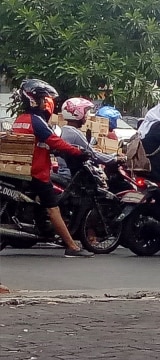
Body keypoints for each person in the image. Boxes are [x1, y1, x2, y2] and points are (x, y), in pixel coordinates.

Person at [11, 79, 93, 257]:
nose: (47, 103)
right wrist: (77, 152)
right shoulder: (37, 121)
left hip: (23, 170)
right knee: (52, 207)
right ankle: (72, 246)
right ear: (36, 101)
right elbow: (55, 141)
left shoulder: (20, 120)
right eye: (44, 100)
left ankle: (43, 228)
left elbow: (43, 144)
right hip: (37, 172)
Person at [56, 98, 124, 182]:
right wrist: (115, 159)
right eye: (85, 112)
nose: (86, 116)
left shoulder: (65, 129)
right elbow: (93, 155)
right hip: (73, 177)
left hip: (67, 173)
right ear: (77, 113)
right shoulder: (74, 133)